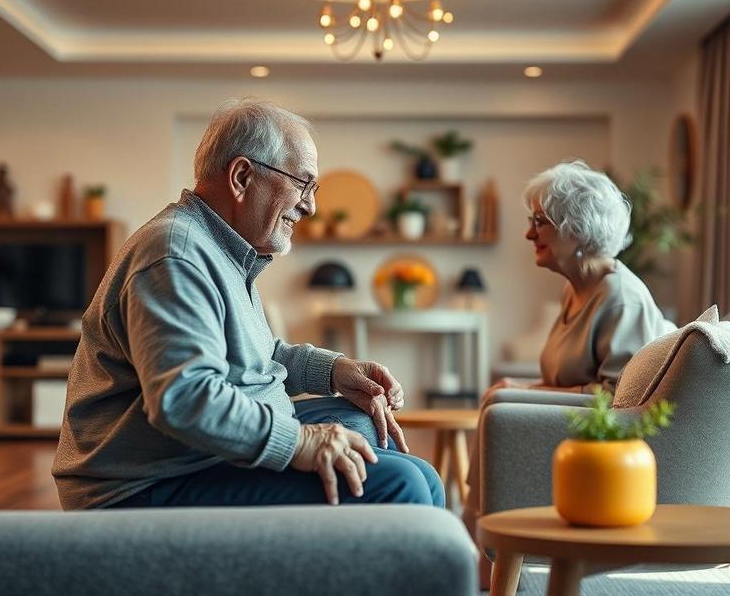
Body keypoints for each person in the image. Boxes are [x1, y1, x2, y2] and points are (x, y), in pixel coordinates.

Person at [52, 99, 444, 510]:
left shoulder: (223, 248)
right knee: (402, 486)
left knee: (408, 463)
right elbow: (185, 399)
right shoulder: (176, 257)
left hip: (189, 457)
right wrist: (301, 441)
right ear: (242, 176)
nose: (310, 206)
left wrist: (333, 372)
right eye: (302, 184)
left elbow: (252, 358)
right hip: (145, 485)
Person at [464, 159, 675, 583]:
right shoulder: (577, 288)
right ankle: (479, 544)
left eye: (539, 222)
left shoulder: (620, 297)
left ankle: (483, 551)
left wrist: (518, 391)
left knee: (497, 402)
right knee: (498, 395)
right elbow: (569, 380)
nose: (528, 233)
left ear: (576, 229)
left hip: (604, 444)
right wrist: (520, 386)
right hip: (569, 426)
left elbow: (617, 402)